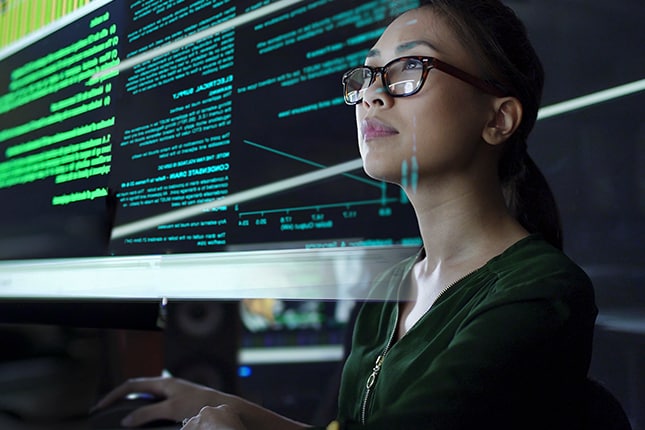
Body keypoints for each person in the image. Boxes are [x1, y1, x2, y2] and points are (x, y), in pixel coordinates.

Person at [92, 1, 597, 428]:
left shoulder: (541, 290)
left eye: (409, 71)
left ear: (498, 119)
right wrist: (232, 410)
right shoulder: (393, 286)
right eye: (367, 75)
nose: (371, 96)